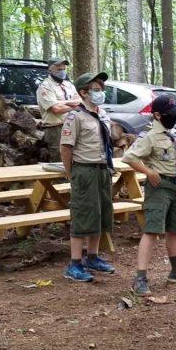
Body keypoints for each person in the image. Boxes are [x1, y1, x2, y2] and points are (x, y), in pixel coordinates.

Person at [124, 95, 176, 296]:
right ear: (157, 115)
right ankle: (140, 278)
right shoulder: (149, 136)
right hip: (160, 188)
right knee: (151, 231)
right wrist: (148, 172)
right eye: (171, 115)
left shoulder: (175, 134)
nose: (174, 118)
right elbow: (129, 157)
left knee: (175, 230)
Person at [59, 72, 118, 282]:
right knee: (83, 215)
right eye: (95, 89)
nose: (100, 92)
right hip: (84, 170)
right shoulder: (75, 116)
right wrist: (71, 173)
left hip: (102, 169)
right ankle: (74, 264)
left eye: (101, 89)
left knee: (100, 214)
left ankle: (93, 257)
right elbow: (66, 147)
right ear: (83, 92)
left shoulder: (103, 114)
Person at [38, 57, 81, 161]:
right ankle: (60, 178)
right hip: (55, 128)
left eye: (63, 69)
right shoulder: (45, 86)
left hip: (72, 125)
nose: (62, 72)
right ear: (50, 70)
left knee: (75, 156)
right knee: (59, 160)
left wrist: (63, 102)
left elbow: (80, 102)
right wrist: (73, 106)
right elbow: (56, 108)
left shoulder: (69, 85)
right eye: (58, 69)